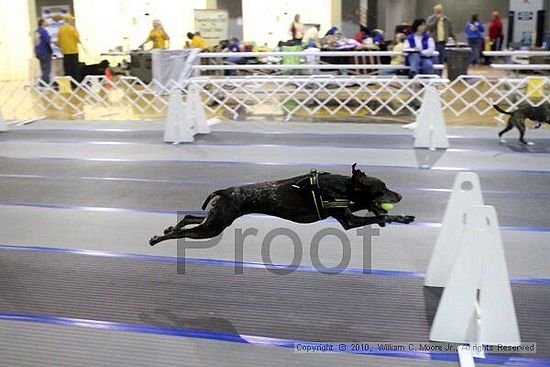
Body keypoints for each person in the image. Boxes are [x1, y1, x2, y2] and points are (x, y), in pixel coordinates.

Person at [56, 14, 81, 83]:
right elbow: (78, 39)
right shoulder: (72, 28)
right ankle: (75, 84)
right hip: (73, 51)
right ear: (69, 20)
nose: (73, 21)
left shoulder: (60, 29)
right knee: (75, 69)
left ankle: (68, 84)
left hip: (65, 52)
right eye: (72, 20)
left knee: (67, 69)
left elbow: (58, 42)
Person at [35, 18, 52, 86]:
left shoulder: (37, 31)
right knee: (47, 69)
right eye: (45, 22)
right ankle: (43, 83)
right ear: (42, 23)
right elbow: (47, 41)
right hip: (45, 52)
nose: (46, 23)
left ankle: (47, 82)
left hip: (38, 52)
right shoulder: (43, 31)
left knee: (43, 68)